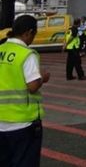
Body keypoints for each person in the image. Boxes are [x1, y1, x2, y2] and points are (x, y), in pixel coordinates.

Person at [0, 15, 51, 167]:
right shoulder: (26, 54)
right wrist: (43, 77)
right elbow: (32, 86)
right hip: (22, 122)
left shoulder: (1, 49)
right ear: (28, 32)